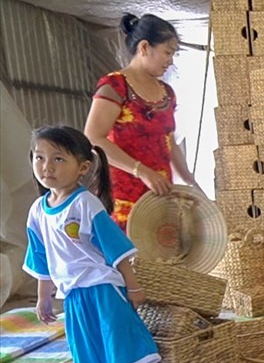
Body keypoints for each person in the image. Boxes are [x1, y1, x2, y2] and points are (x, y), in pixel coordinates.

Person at [23, 126, 158, 363]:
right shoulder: (38, 210)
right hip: (73, 296)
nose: (47, 167)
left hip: (102, 290)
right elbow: (41, 259)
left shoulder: (86, 204)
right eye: (39, 158)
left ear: (83, 167)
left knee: (125, 353)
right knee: (97, 353)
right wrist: (44, 296)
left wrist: (134, 286)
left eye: (58, 159)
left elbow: (115, 249)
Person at [84, 13, 202, 231]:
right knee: (129, 259)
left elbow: (169, 142)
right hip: (123, 197)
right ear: (145, 47)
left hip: (160, 194)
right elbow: (93, 138)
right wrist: (142, 171)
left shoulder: (167, 92)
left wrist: (190, 183)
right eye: (167, 52)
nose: (170, 61)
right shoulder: (115, 86)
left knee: (162, 260)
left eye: (173, 54)